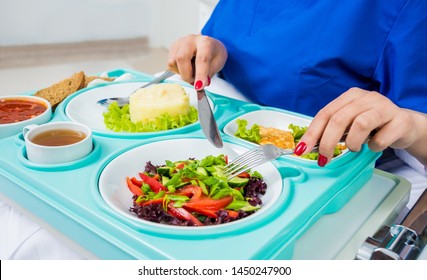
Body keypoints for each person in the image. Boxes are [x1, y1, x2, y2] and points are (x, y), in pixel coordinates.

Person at [167, 0, 427, 208]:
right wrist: (214, 51)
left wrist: (412, 126)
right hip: (226, 135)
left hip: (324, 181)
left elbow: (414, 130)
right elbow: (236, 36)